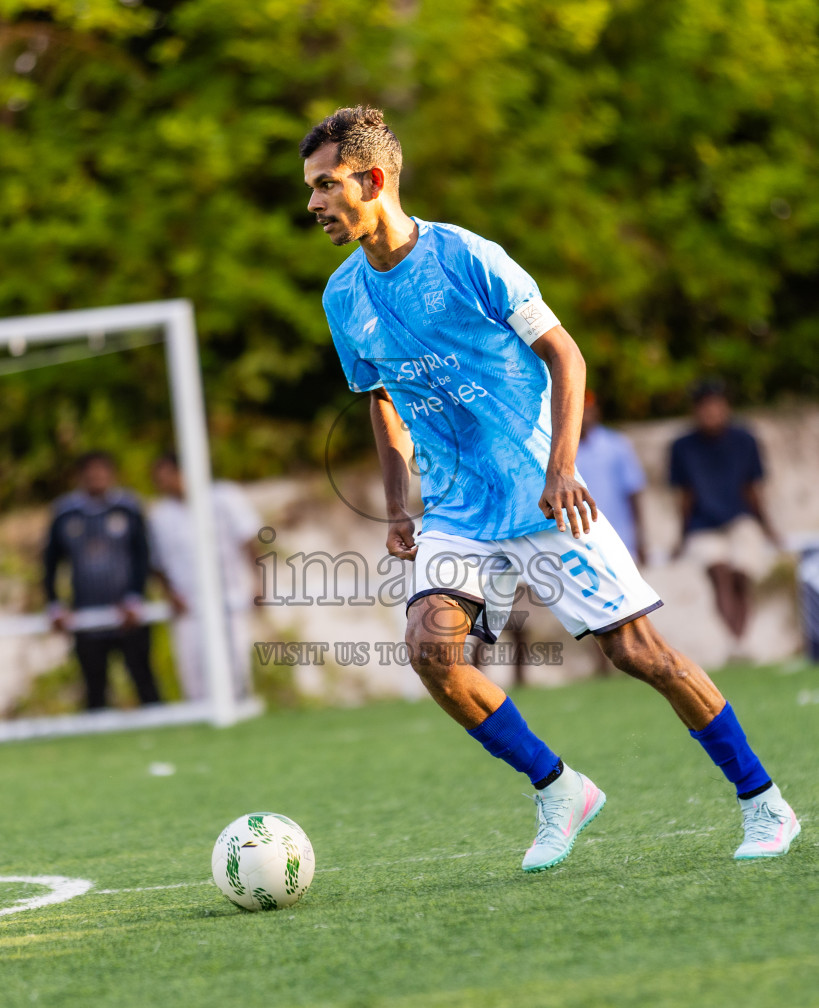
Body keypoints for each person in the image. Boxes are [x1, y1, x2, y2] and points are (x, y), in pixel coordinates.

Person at [300, 106, 800, 869]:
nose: (313, 204)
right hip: (457, 512)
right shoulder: (343, 298)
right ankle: (558, 788)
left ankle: (764, 802)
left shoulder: (468, 258)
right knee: (430, 650)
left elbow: (565, 355)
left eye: (326, 185)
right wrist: (399, 505)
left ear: (373, 179)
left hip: (539, 494)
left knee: (641, 654)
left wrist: (561, 467)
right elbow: (380, 398)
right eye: (309, 188)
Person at [44, 450, 161, 710]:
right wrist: (54, 602)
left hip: (128, 614)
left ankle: (164, 734)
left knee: (143, 676)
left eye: (101, 471)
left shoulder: (128, 508)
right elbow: (51, 562)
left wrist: (134, 597)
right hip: (86, 612)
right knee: (94, 685)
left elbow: (143, 556)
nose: (96, 477)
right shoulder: (65, 513)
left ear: (112, 474)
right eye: (90, 472)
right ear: (80, 476)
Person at [670, 380, 780, 649]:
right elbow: (685, 496)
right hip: (702, 524)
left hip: (741, 519)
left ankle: (741, 638)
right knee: (720, 574)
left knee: (741, 576)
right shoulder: (682, 446)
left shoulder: (745, 439)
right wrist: (681, 536)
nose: (711, 412)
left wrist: (768, 527)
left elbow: (752, 488)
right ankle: (737, 644)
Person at [149, 453, 261, 701]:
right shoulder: (160, 515)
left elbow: (249, 541)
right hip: (188, 606)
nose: (162, 484)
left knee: (235, 666)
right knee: (194, 674)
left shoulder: (224, 497)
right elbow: (157, 564)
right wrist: (169, 594)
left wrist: (258, 582)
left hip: (229, 597)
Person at [576, 391, 647, 565]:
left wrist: (641, 540)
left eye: (588, 409)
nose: (584, 415)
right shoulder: (559, 451)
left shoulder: (617, 444)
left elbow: (634, 493)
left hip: (620, 540)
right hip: (580, 544)